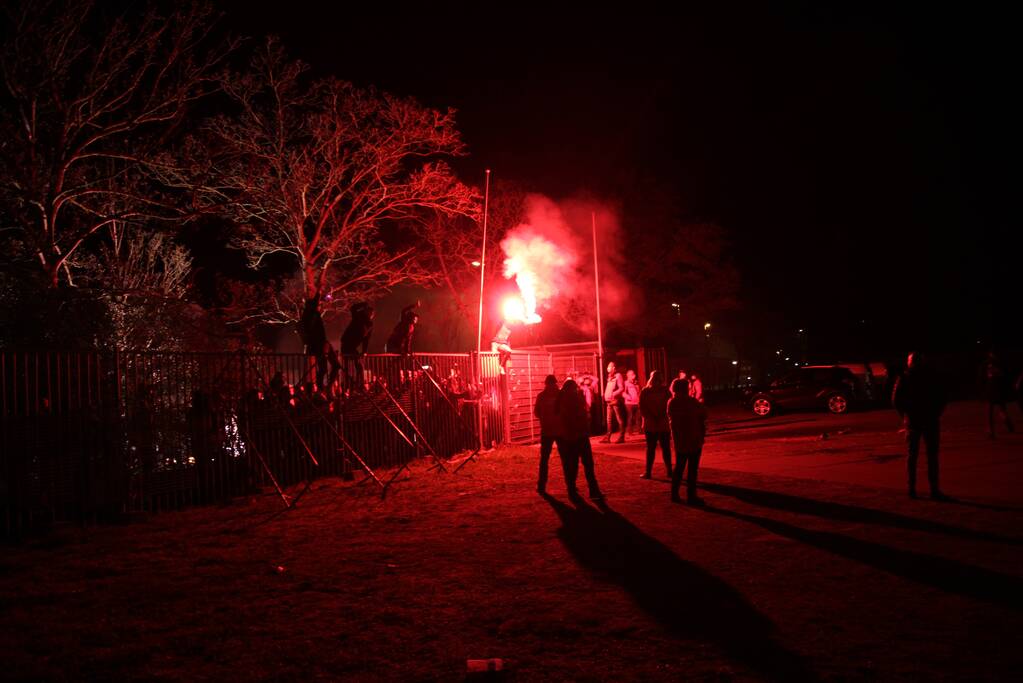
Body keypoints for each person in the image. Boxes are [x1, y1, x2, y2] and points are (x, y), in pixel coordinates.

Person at [892, 351, 949, 500]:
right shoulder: (931, 376)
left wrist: (904, 416)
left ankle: (912, 489)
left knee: (912, 456)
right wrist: (937, 412)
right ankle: (934, 490)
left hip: (913, 420)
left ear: (910, 363)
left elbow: (896, 400)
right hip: (930, 419)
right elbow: (942, 396)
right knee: (931, 456)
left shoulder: (905, 377)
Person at [557, 378, 604, 500]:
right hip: (578, 436)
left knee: (573, 465)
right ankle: (592, 490)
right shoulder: (574, 399)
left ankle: (572, 489)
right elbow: (580, 416)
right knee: (587, 464)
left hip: (571, 437)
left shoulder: (563, 399)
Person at [668, 377, 708, 505]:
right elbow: (704, 414)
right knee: (692, 469)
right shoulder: (692, 402)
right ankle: (691, 495)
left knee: (679, 467)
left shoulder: (672, 403)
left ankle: (674, 494)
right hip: (694, 438)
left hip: (680, 439)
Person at [533, 375, 564, 494]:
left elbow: (536, 412)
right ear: (555, 383)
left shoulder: (541, 396)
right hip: (559, 430)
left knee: (544, 459)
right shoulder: (561, 395)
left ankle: (541, 485)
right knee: (565, 459)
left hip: (547, 431)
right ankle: (570, 485)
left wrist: (544, 418)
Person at [639, 370, 672, 479]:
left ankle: (650, 472)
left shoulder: (647, 391)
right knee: (662, 448)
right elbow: (642, 407)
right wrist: (658, 416)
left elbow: (642, 408)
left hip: (655, 423)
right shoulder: (663, 391)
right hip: (656, 423)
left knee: (653, 448)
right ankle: (668, 471)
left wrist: (653, 416)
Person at [980, 351, 1015, 439]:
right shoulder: (999, 363)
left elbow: (982, 377)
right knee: (1000, 409)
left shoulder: (990, 364)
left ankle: (991, 431)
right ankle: (1007, 424)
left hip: (993, 388)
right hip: (996, 389)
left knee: (991, 411)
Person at [340, 302, 374, 387]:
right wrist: (363, 304)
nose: (371, 314)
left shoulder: (370, 325)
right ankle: (348, 384)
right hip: (347, 343)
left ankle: (359, 384)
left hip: (353, 346)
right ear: (366, 312)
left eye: (373, 313)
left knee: (358, 365)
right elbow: (353, 308)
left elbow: (366, 339)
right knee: (349, 366)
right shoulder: (358, 317)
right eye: (370, 312)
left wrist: (364, 351)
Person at [600, 361, 626, 443]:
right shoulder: (610, 377)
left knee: (619, 418)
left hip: (614, 400)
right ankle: (608, 437)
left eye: (610, 366)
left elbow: (621, 388)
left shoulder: (618, 376)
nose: (608, 368)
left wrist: (613, 394)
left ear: (614, 368)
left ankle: (622, 437)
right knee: (609, 420)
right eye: (608, 366)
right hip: (609, 401)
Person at [623, 369, 641, 434]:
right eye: (632, 374)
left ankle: (639, 430)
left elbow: (639, 392)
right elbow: (623, 393)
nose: (634, 375)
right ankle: (630, 431)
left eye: (634, 373)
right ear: (628, 376)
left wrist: (639, 399)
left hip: (637, 402)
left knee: (638, 417)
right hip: (629, 403)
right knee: (630, 417)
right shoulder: (626, 383)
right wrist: (629, 397)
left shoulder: (636, 382)